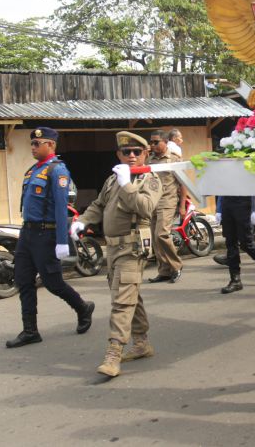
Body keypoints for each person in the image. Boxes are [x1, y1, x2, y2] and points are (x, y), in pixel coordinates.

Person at [70, 131, 162, 377]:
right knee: (129, 294)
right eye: (125, 152)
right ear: (118, 154)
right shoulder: (113, 179)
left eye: (137, 152)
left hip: (132, 246)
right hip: (112, 247)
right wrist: (84, 220)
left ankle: (114, 353)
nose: (131, 156)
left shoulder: (149, 180)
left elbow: (146, 207)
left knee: (122, 299)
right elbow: (99, 205)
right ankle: (141, 342)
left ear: (145, 154)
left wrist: (127, 185)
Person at [6, 128, 94, 349]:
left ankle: (82, 307)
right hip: (27, 233)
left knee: (53, 283)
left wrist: (62, 240)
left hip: (46, 233)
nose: (33, 147)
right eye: (32, 144)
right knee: (23, 281)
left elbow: (60, 209)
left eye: (38, 143)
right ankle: (30, 331)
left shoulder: (57, 171)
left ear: (51, 145)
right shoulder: (32, 171)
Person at [146, 130, 185, 284]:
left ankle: (176, 265)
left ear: (164, 142)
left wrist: (182, 206)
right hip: (152, 202)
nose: (153, 145)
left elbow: (183, 184)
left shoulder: (174, 159)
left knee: (162, 233)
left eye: (156, 142)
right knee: (155, 238)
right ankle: (164, 271)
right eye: (151, 142)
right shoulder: (149, 160)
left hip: (168, 201)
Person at [214, 195, 255, 293]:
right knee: (230, 243)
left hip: (244, 203)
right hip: (227, 203)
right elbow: (222, 189)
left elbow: (252, 187)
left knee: (246, 243)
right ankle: (235, 280)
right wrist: (219, 209)